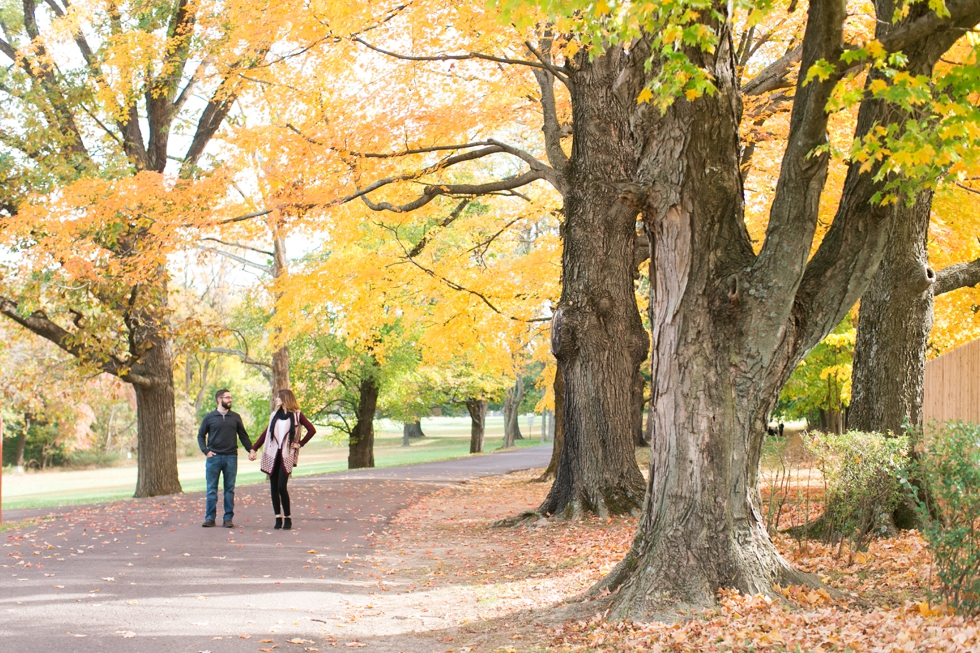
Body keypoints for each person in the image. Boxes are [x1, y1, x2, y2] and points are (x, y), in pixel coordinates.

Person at [249, 389, 316, 531]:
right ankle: (278, 518)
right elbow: (266, 433)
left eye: (278, 397)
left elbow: (311, 430)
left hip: (286, 454)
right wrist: (254, 448)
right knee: (273, 487)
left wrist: (300, 443)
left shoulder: (297, 415)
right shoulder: (274, 415)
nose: (276, 400)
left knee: (281, 486)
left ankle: (288, 518)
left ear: (285, 399)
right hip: (272, 454)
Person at [197, 388, 253, 528]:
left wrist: (251, 449)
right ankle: (210, 518)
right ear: (219, 399)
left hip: (230, 457)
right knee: (211, 489)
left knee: (229, 489)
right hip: (214, 458)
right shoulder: (209, 417)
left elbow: (243, 435)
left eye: (231, 398)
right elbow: (200, 435)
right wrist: (206, 451)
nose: (230, 400)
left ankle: (228, 518)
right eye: (227, 398)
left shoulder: (235, 417)